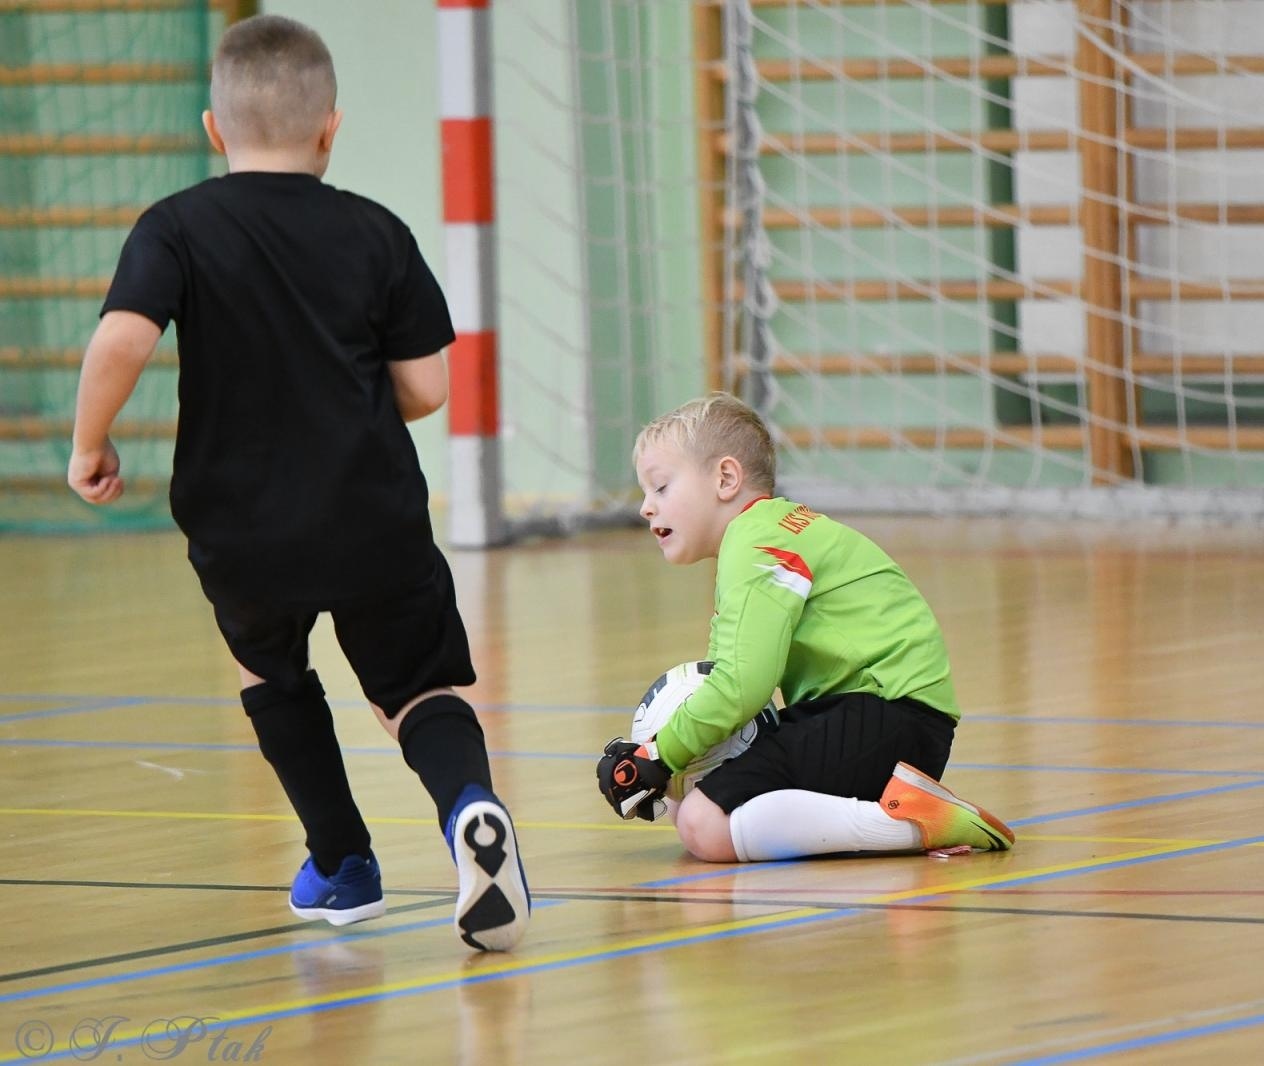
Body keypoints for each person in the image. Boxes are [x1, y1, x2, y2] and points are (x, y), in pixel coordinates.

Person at [67, 14, 528, 951]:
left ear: (213, 129)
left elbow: (123, 338)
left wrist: (90, 444)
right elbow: (427, 389)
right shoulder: (377, 231)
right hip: (372, 513)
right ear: (331, 127)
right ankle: (468, 809)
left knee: (271, 671)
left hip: (241, 525)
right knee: (418, 687)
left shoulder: (176, 227)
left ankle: (344, 863)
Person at [596, 393, 1015, 862]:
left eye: (661, 487)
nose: (646, 508)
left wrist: (658, 756)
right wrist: (672, 763)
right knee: (691, 805)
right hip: (889, 719)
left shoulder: (757, 543)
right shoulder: (771, 530)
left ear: (726, 479)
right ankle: (901, 810)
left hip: (886, 718)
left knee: (703, 825)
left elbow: (740, 686)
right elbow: (731, 683)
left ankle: (917, 825)